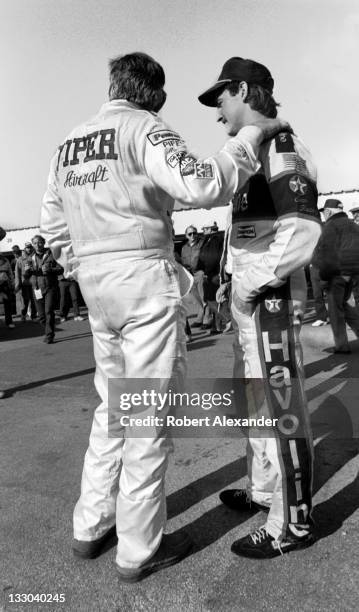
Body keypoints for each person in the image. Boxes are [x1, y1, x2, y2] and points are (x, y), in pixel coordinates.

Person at [40, 51, 289, 581]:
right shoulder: (146, 129)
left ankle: (91, 525)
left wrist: (87, 270)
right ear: (153, 92)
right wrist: (248, 140)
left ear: (113, 86)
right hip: (143, 281)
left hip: (97, 287)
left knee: (112, 409)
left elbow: (53, 228)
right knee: (147, 416)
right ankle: (137, 548)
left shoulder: (68, 144)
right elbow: (201, 184)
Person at [199, 56, 321, 558]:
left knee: (280, 410)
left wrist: (255, 285)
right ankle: (265, 492)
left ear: (246, 91)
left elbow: (303, 230)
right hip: (251, 300)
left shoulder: (282, 146)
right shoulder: (252, 152)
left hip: (269, 302)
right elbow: (252, 233)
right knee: (255, 407)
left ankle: (291, 524)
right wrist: (234, 283)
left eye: (221, 97)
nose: (218, 110)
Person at [315, 199, 359, 353]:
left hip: (338, 274)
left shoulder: (331, 226)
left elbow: (328, 254)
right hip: (353, 273)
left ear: (328, 211)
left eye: (324, 212)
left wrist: (324, 277)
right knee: (347, 308)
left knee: (335, 311)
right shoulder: (353, 225)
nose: (324, 215)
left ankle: (341, 346)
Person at [25, 235, 62, 343]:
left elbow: (60, 269)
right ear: (33, 245)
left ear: (44, 243)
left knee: (48, 311)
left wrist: (50, 269)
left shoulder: (52, 254)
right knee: (41, 316)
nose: (38, 245)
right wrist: (27, 271)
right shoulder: (30, 258)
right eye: (35, 243)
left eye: (40, 242)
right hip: (36, 289)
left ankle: (49, 335)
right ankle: (48, 329)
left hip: (49, 287)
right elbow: (26, 275)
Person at [198, 222, 223, 333]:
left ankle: (220, 324)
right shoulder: (209, 239)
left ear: (210, 229)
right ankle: (216, 325)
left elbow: (212, 257)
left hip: (213, 275)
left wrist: (206, 271)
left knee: (212, 300)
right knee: (211, 299)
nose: (203, 231)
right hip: (210, 274)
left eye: (205, 229)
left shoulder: (215, 240)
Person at [181, 226, 205, 326]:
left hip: (200, 272)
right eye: (190, 234)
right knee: (197, 298)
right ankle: (202, 317)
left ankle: (205, 319)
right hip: (190, 274)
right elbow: (183, 261)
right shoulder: (184, 248)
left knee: (204, 298)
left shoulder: (202, 244)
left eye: (194, 233)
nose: (192, 236)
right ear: (186, 236)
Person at [14, 242, 37, 321]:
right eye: (27, 248)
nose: (29, 249)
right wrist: (18, 284)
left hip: (34, 282)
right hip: (25, 283)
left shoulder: (35, 257)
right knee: (26, 301)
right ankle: (23, 314)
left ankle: (33, 316)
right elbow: (17, 273)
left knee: (34, 300)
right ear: (25, 249)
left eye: (30, 247)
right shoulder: (20, 259)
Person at [0, 251, 15, 328]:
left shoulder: (5, 260)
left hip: (5, 284)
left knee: (8, 303)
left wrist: (12, 284)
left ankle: (9, 322)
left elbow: (10, 273)